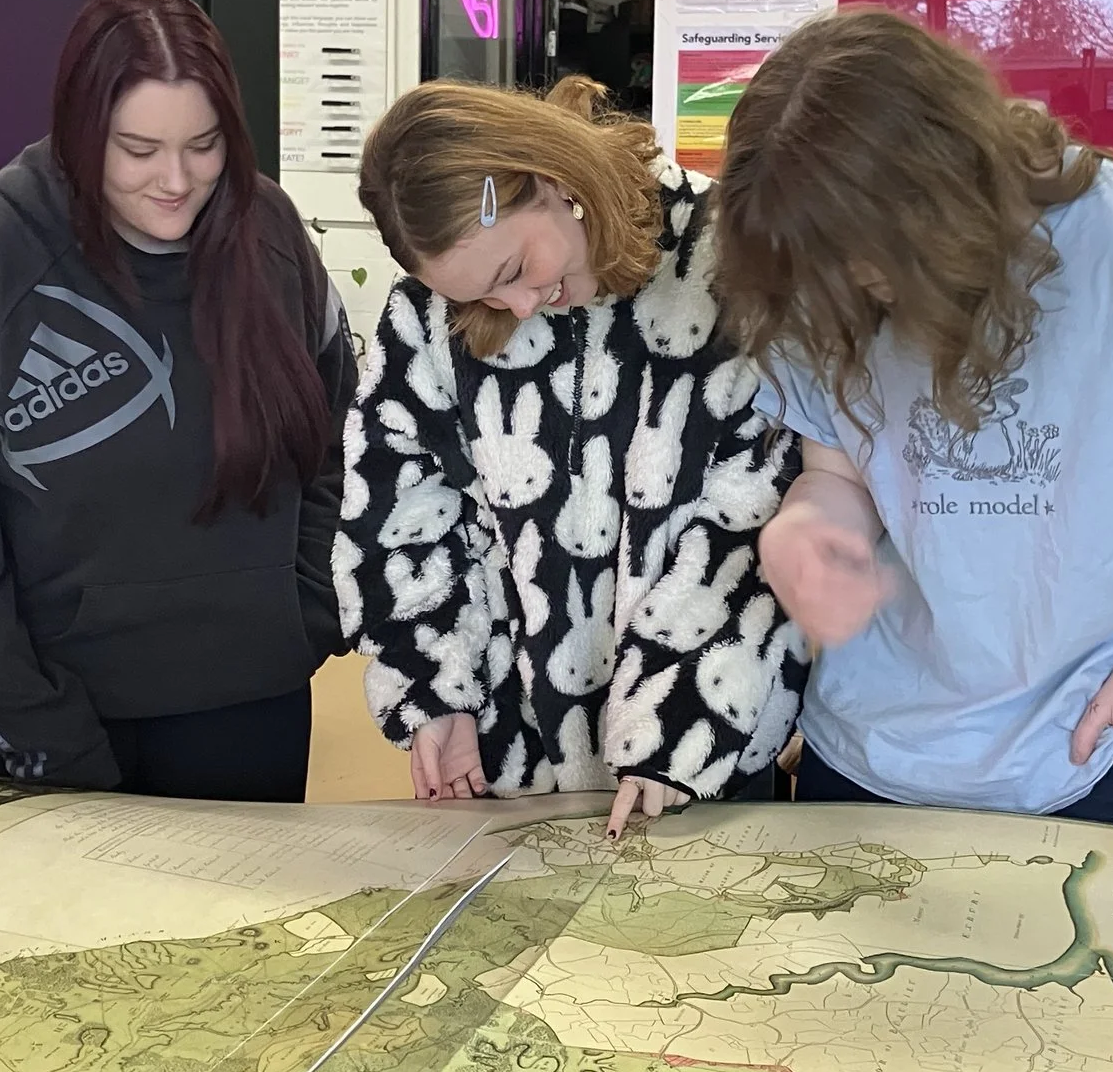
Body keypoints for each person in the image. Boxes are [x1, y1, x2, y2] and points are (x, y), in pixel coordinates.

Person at [713, 6, 1113, 834]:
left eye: (867, 267)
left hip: (1097, 741)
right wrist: (808, 526)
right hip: (872, 745)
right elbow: (840, 470)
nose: (849, 292)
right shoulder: (816, 261)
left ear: (942, 199)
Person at [0, 0, 353, 800]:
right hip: (35, 734)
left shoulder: (271, 239)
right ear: (80, 130)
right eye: (138, 149)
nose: (176, 179)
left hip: (247, 709)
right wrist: (38, 744)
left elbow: (348, 444)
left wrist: (304, 610)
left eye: (204, 145)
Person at [345, 76, 805, 837]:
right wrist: (437, 694)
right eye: (483, 296)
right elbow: (399, 516)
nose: (518, 307)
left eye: (511, 269)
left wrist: (674, 732)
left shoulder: (727, 258)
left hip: (703, 770)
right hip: (514, 777)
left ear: (551, 178)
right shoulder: (426, 318)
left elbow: (753, 516)